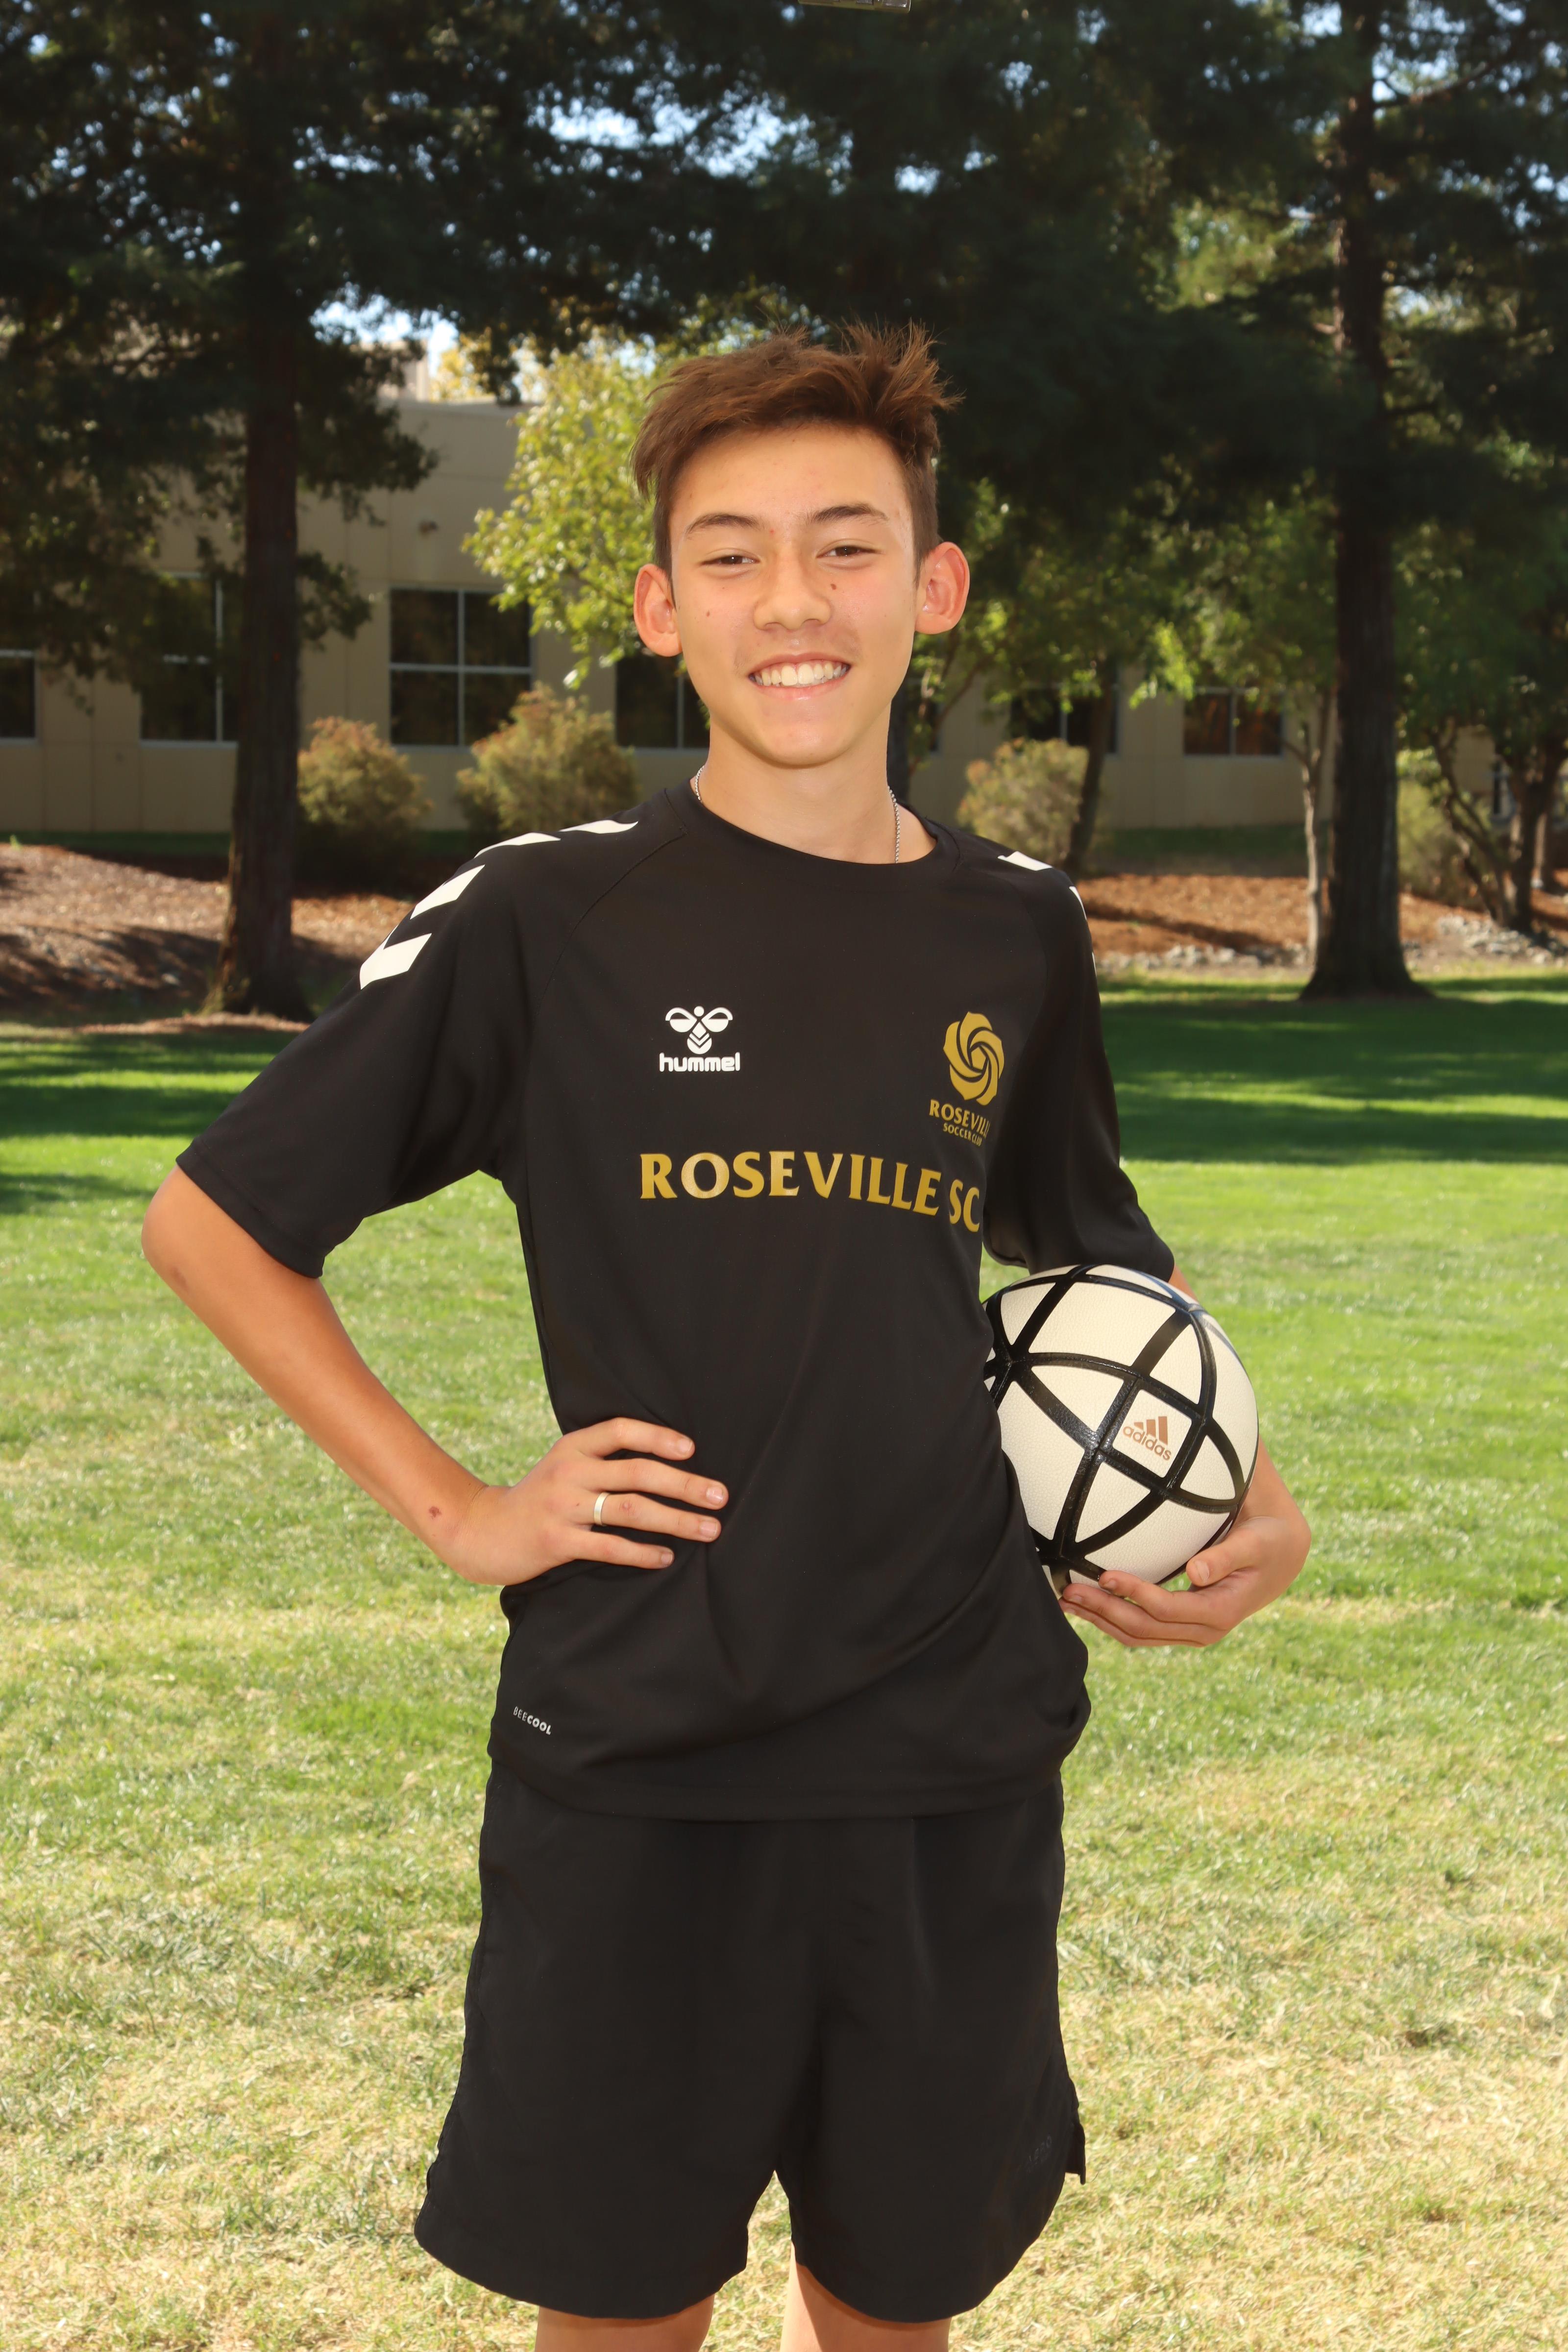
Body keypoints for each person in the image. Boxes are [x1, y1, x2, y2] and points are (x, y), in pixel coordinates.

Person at [142, 324, 1310, 2352]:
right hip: (643, 1746)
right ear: (660, 608)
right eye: (735, 555)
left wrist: (1245, 1490)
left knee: (893, 2310)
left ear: (932, 589)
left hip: (949, 1746)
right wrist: (459, 1512)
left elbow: (1088, 1248)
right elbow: (217, 1221)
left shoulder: (1015, 928)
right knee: (626, 2315)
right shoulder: (545, 917)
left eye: (846, 547)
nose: (796, 602)